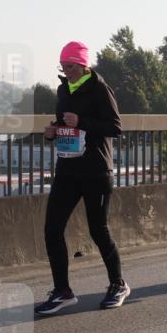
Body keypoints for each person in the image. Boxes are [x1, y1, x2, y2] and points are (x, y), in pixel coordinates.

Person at [36, 42, 130, 315]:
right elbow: (64, 123)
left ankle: (118, 284)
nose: (67, 72)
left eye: (71, 67)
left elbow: (115, 128)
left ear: (84, 65)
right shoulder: (63, 89)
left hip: (96, 170)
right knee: (52, 228)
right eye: (63, 67)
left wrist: (82, 122)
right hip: (67, 168)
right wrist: (53, 131)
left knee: (97, 229)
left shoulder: (100, 89)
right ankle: (62, 290)